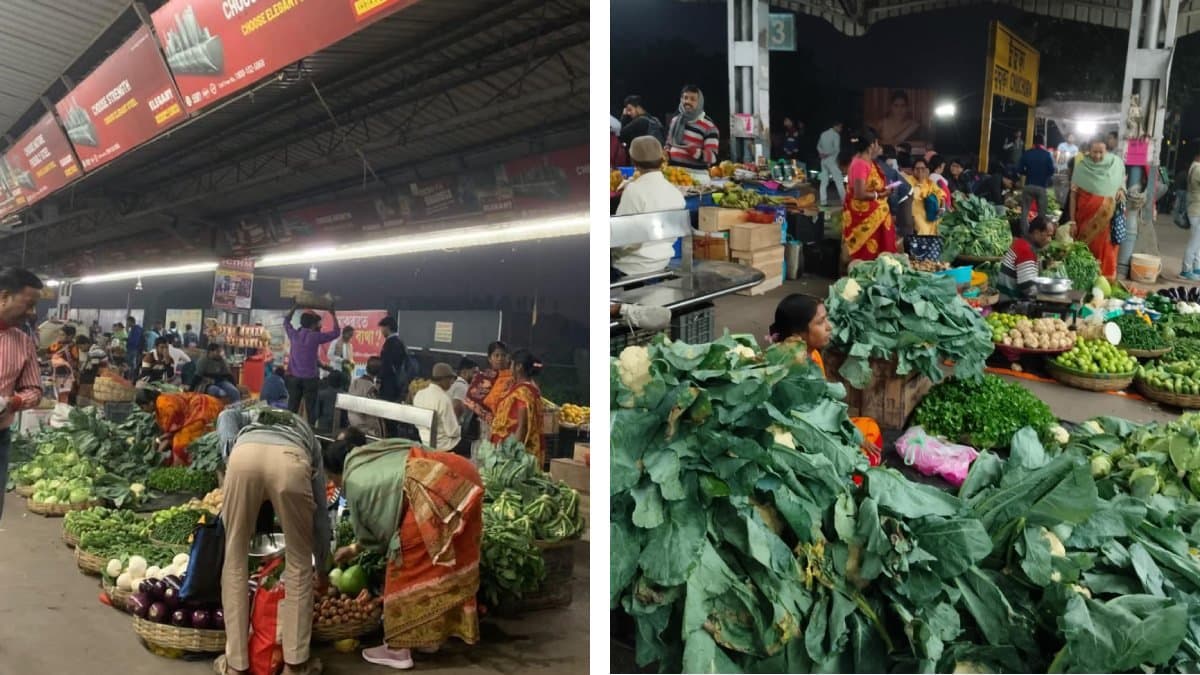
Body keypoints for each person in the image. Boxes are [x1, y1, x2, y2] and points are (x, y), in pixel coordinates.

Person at [324, 429, 483, 670]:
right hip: (461, 473)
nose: (333, 484)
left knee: (403, 568)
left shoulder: (354, 481)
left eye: (331, 478)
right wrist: (355, 548)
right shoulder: (369, 454)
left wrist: (356, 547)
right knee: (441, 565)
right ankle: (429, 638)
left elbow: (381, 533)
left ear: (337, 472)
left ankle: (397, 650)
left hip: (433, 489)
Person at [215, 405, 328, 675]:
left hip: (243, 458)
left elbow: (224, 416)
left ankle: (236, 665)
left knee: (234, 559)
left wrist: (229, 450)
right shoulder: (306, 433)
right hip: (290, 460)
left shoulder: (250, 414)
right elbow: (321, 513)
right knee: (300, 562)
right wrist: (322, 567)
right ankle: (295, 665)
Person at [769, 294, 882, 466]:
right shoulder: (791, 368)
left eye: (826, 319)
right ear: (799, 333)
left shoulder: (812, 354)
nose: (829, 327)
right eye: (820, 322)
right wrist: (856, 438)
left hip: (820, 422)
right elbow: (810, 418)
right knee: (866, 441)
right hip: (806, 435)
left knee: (868, 427)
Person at [0, 268, 44, 519]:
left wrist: (13, 402)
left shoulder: (23, 342)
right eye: (29, 304)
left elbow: (34, 390)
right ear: (4, 296)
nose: (32, 313)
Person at [611, 135, 686, 279]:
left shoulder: (633, 190)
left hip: (631, 266)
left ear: (633, 161)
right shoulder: (675, 192)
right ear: (661, 159)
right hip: (663, 261)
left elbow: (622, 240)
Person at [1070, 139, 1127, 281]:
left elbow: (1121, 183)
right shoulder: (1081, 166)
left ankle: (1104, 283)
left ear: (1106, 150)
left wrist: (1121, 190)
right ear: (1089, 151)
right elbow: (1073, 195)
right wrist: (1072, 221)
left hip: (1107, 220)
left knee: (1106, 251)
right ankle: (1082, 282)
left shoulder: (1116, 163)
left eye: (1101, 152)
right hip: (1083, 218)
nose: (1097, 155)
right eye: (1094, 152)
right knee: (1083, 252)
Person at [842, 131, 896, 262]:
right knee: (868, 256)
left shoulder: (866, 161)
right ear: (872, 145)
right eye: (878, 143)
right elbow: (859, 193)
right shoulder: (860, 163)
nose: (878, 147)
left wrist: (883, 191)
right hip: (866, 219)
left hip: (876, 216)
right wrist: (880, 194)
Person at [135, 388, 224, 466]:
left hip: (203, 407)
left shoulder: (163, 404)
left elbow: (172, 432)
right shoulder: (158, 405)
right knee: (177, 440)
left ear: (150, 403)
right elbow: (169, 432)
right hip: (195, 409)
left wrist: (158, 442)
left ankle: (183, 467)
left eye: (143, 407)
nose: (144, 411)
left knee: (180, 444)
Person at [284, 303, 341, 423]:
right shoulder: (315, 337)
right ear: (313, 324)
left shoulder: (294, 334)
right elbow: (336, 332)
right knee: (311, 410)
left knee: (292, 408)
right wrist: (333, 314)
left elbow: (286, 322)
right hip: (310, 379)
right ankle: (311, 432)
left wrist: (294, 307)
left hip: (294, 378)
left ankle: (289, 431)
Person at [489, 349, 545, 468]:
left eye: (512, 364)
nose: (510, 368)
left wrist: (513, 453)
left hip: (513, 453)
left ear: (518, 367)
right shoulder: (528, 389)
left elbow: (522, 425)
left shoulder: (523, 392)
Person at [998, 216, 1055, 299]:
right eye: (1048, 235)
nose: (1050, 240)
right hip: (1010, 301)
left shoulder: (1021, 242)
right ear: (1036, 233)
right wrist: (1049, 292)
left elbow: (1025, 269)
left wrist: (1045, 264)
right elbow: (1028, 288)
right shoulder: (1026, 250)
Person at [665, 85, 719, 171]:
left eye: (692, 99)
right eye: (685, 98)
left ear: (700, 102)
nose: (687, 101)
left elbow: (713, 158)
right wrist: (665, 153)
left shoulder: (709, 126)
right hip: (674, 174)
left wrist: (695, 152)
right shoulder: (675, 121)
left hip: (697, 177)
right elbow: (668, 144)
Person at [413, 363, 463, 453]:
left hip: (425, 443)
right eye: (451, 379)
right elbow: (452, 432)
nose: (452, 382)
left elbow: (417, 424)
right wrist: (460, 427)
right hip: (445, 447)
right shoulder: (443, 399)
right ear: (443, 380)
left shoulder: (419, 394)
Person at [905, 157, 948, 261]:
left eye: (923, 168)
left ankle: (932, 258)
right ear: (912, 170)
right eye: (917, 168)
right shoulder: (908, 181)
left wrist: (942, 207)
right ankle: (920, 257)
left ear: (927, 170)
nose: (920, 171)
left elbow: (942, 195)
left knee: (939, 225)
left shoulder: (930, 182)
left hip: (930, 214)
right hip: (915, 213)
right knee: (922, 227)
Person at [464, 341, 512, 432]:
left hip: (505, 427)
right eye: (496, 355)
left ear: (508, 358)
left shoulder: (513, 379)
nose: (500, 358)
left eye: (503, 355)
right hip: (481, 427)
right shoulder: (480, 378)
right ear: (490, 359)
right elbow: (470, 400)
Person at [1018, 134, 1056, 235]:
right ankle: (1038, 235)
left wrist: (1028, 173)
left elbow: (1020, 169)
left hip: (1028, 186)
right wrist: (1044, 176)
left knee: (1024, 212)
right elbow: (1052, 171)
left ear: (1033, 142)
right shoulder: (1047, 154)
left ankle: (1025, 234)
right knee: (1041, 215)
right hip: (1041, 187)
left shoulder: (1027, 153)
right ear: (1043, 142)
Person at [347, 356, 386, 438]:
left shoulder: (355, 383)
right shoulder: (371, 389)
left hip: (354, 429)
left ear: (366, 367)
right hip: (368, 433)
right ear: (380, 372)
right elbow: (375, 416)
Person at [49, 324, 79, 403]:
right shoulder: (56, 345)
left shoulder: (73, 347)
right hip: (55, 376)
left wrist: (61, 361)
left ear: (70, 336)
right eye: (59, 334)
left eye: (62, 335)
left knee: (65, 399)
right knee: (56, 397)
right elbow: (47, 352)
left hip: (67, 378)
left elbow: (75, 363)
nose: (59, 336)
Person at [817, 121, 845, 205]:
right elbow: (836, 149)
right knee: (839, 181)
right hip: (832, 160)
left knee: (824, 182)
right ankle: (844, 201)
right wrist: (827, 154)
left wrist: (821, 153)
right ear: (836, 126)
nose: (841, 129)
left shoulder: (823, 134)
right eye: (840, 127)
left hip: (823, 161)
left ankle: (823, 202)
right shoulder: (836, 135)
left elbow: (818, 146)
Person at [1183, 148, 1200, 280]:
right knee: (1195, 241)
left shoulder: (1193, 167)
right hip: (1197, 209)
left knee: (1198, 241)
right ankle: (1186, 270)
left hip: (1195, 208)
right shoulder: (1198, 169)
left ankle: (1196, 268)